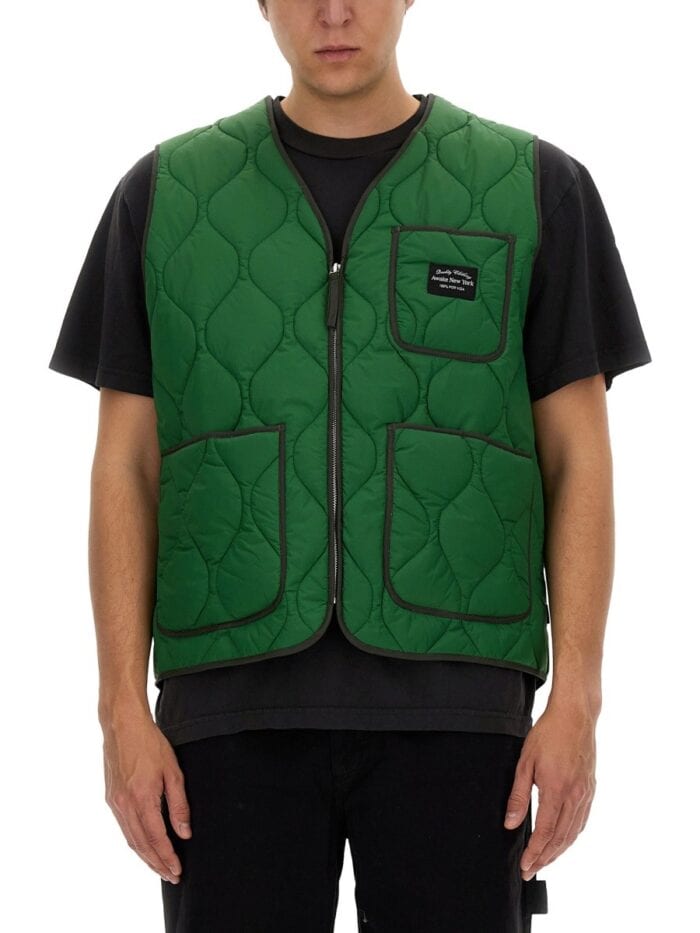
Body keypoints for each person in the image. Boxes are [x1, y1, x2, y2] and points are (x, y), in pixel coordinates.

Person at [47, 1, 652, 930]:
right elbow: (124, 466)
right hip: (229, 712)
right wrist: (119, 710)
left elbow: (579, 459)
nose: (334, 11)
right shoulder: (162, 198)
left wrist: (580, 699)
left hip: (461, 712)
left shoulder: (536, 190)